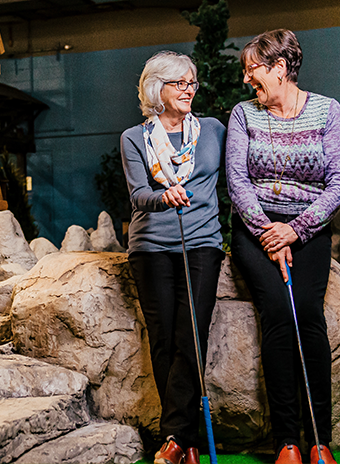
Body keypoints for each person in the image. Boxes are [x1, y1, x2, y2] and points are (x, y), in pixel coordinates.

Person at [226, 29, 340, 464]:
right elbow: (237, 182)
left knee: (309, 317)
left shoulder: (327, 111)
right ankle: (287, 442)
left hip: (308, 232)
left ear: (280, 68)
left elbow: (339, 183)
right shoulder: (243, 115)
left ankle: (319, 440)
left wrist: (295, 230)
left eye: (252, 70)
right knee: (278, 312)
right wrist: (267, 231)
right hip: (254, 231)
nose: (246, 81)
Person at [121, 50, 226, 464]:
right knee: (163, 342)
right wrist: (164, 196)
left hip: (201, 244)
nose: (189, 90)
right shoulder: (134, 138)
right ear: (156, 89)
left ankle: (174, 439)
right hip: (149, 248)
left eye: (191, 83)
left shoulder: (214, 130)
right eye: (179, 83)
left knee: (191, 337)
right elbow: (138, 196)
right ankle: (188, 442)